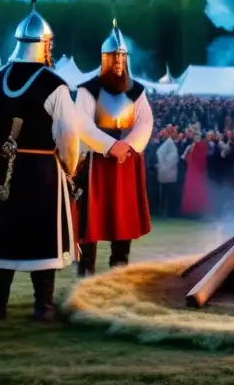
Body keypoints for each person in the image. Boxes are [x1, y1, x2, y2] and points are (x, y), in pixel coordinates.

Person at [0, 0, 83, 322]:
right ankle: (43, 306)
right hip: (42, 172)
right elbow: (68, 136)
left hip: (3, 172)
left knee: (5, 232)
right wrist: (69, 167)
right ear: (46, 45)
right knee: (41, 235)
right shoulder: (56, 85)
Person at [74, 20, 152, 276]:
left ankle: (119, 268)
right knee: (90, 218)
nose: (118, 61)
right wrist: (109, 146)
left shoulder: (137, 91)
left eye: (122, 56)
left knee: (123, 217)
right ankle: (86, 272)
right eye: (113, 56)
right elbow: (82, 124)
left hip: (125, 162)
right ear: (104, 58)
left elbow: (145, 122)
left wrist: (126, 147)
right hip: (96, 161)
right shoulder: (88, 90)